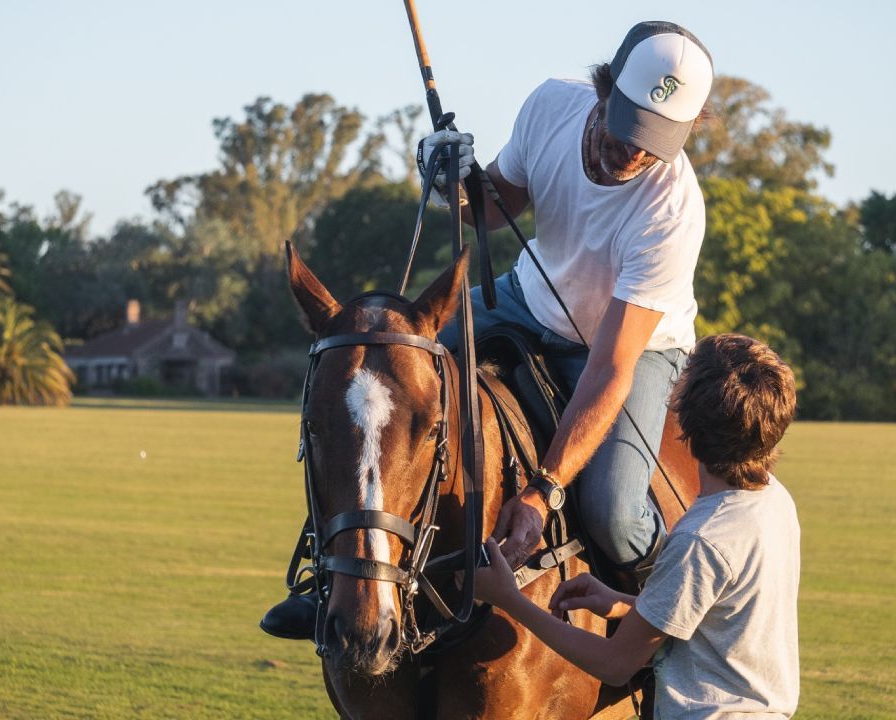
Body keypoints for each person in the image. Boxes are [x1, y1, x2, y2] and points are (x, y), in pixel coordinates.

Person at [261, 20, 715, 640]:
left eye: (652, 141)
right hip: (524, 301)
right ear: (603, 89)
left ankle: (674, 620)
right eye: (626, 125)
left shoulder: (673, 208)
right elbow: (494, 208)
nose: (632, 151)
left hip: (630, 350)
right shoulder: (553, 104)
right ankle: (331, 581)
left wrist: (544, 492)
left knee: (612, 512)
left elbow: (610, 368)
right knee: (380, 385)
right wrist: (451, 178)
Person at [474, 333, 801, 719]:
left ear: (684, 419)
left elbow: (616, 664)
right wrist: (630, 605)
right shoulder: (774, 501)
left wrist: (509, 599)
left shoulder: (701, 538)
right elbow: (715, 616)